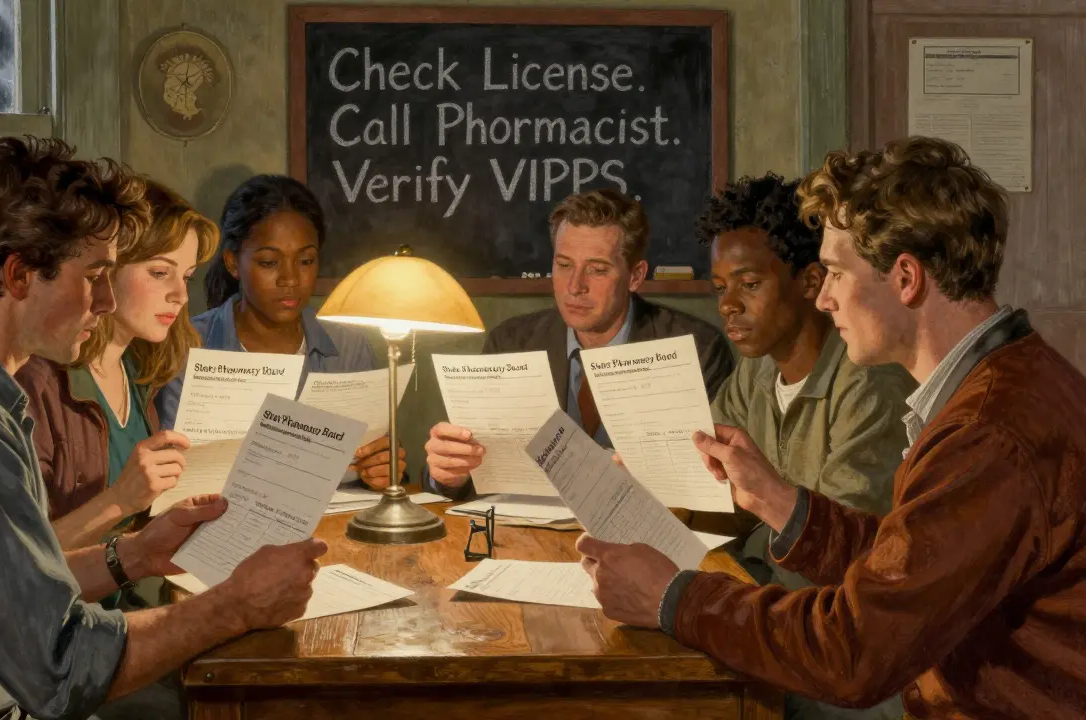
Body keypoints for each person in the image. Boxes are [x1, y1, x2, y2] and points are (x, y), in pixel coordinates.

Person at [0, 136, 325, 720]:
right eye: (96, 276)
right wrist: (234, 605)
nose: (106, 302)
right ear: (21, 274)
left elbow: (14, 588)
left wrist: (134, 554)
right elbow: (64, 670)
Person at [578, 137, 1086, 720]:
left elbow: (854, 652)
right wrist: (779, 500)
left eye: (838, 274)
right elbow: (911, 568)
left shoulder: (988, 433)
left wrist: (672, 598)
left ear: (905, 279)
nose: (823, 300)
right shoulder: (1008, 381)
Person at [690, 173, 916, 720]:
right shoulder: (754, 375)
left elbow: (844, 556)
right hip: (774, 610)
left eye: (749, 284)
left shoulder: (867, 381)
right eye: (720, 288)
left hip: (850, 646)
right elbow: (714, 497)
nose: (729, 306)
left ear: (812, 282)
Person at [424, 188, 735, 498]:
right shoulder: (511, 341)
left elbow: (718, 486)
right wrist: (450, 475)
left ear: (635, 276)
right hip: (527, 537)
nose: (575, 287)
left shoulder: (696, 350)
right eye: (564, 265)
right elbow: (466, 466)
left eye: (597, 270)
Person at [155, 174, 406, 489]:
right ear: (233, 262)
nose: (290, 279)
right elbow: (170, 475)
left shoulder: (349, 346)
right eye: (269, 262)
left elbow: (380, 458)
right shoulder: (187, 346)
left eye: (305, 260)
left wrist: (383, 468)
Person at [16, 179, 218, 552]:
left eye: (187, 277)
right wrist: (119, 501)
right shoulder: (36, 382)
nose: (181, 294)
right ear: (107, 267)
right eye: (160, 273)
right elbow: (19, 565)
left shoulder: (138, 371)